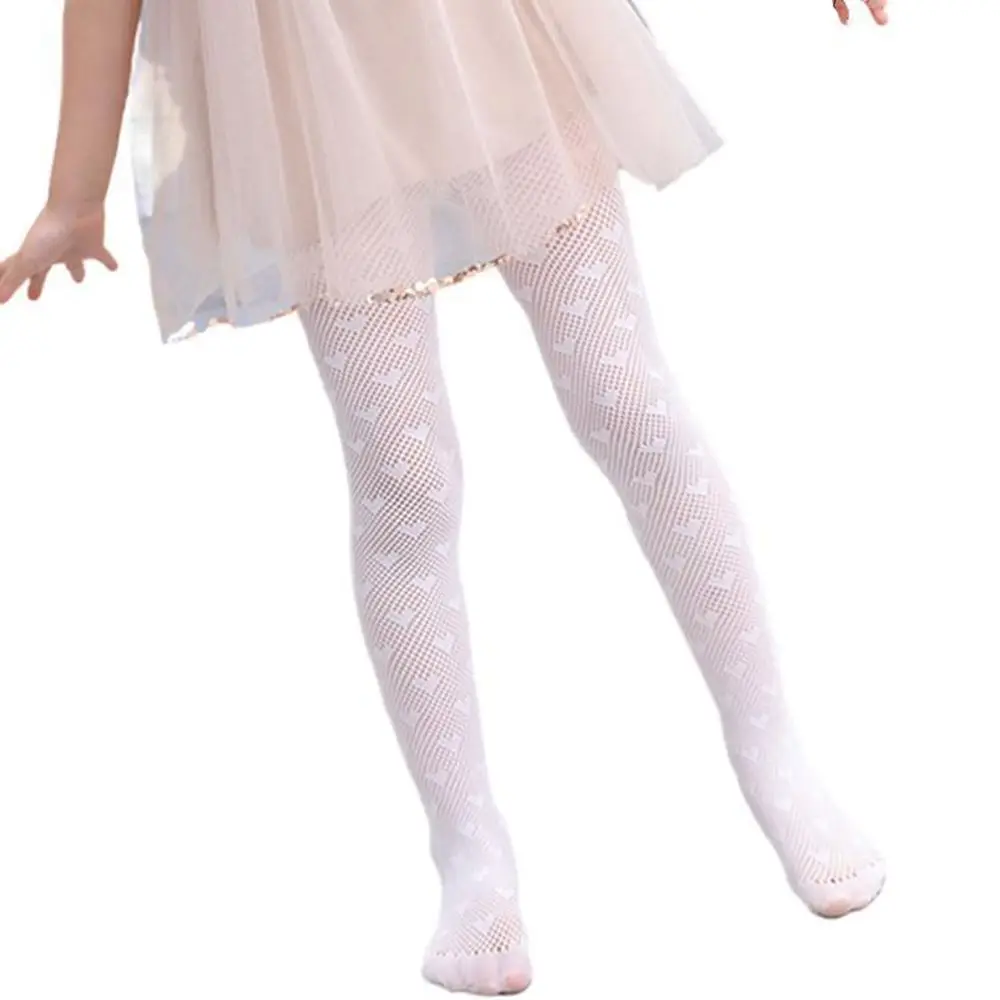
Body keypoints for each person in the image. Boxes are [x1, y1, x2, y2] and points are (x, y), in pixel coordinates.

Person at [0, 1, 890, 995]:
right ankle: (469, 848)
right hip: (299, 85)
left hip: (479, 29)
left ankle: (773, 754)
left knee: (624, 398)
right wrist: (73, 190)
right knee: (403, 477)